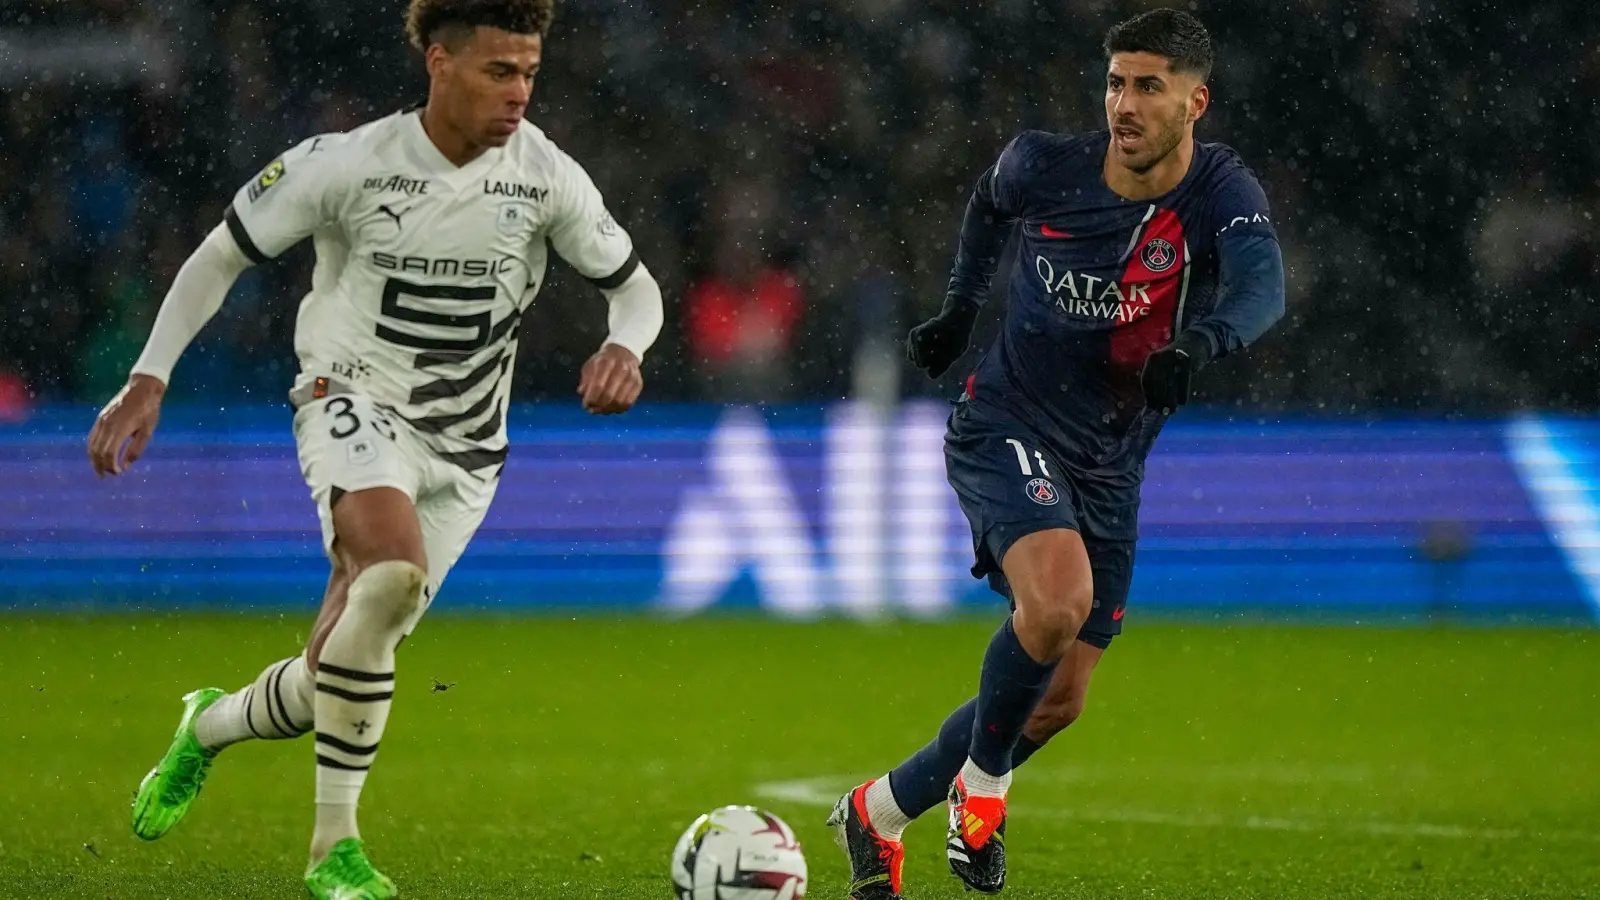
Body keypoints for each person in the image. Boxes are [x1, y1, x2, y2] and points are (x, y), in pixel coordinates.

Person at [85, 2, 664, 897]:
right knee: (388, 579)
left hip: (470, 448)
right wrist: (150, 376)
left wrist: (627, 345)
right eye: (499, 72)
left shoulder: (546, 176)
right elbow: (219, 256)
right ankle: (334, 850)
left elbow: (636, 290)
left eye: (529, 74)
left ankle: (208, 726)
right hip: (350, 398)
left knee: (343, 663)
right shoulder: (346, 164)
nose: (519, 94)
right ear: (439, 62)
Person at [826, 10, 1285, 898]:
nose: (1124, 102)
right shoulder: (1045, 161)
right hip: (1006, 423)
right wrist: (961, 306)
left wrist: (1202, 344)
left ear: (1196, 101)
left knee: (1061, 696)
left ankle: (876, 812)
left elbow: (1265, 286)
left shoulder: (1219, 188)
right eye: (1116, 81)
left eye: (1149, 85)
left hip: (1111, 460)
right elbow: (987, 204)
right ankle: (983, 795)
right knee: (1057, 604)